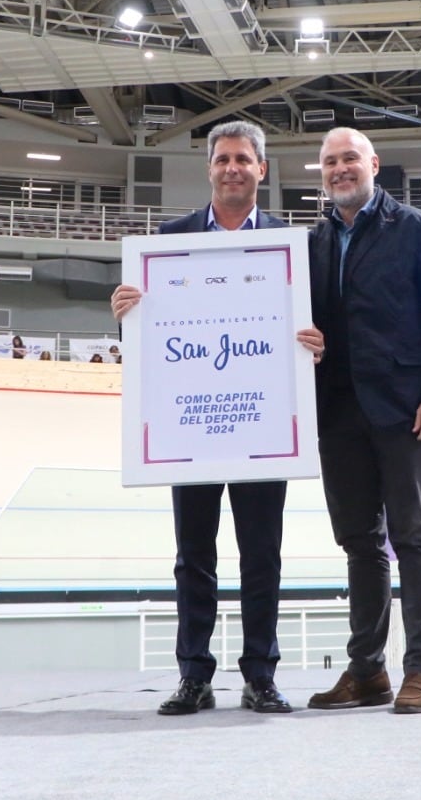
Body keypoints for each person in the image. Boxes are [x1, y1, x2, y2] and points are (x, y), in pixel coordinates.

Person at [109, 120, 298, 717]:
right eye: (223, 159)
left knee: (261, 556)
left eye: (244, 158)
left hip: (262, 426)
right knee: (194, 555)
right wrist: (124, 316)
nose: (233, 167)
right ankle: (195, 676)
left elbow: (310, 329)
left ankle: (260, 677)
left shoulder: (294, 247)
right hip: (190, 426)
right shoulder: (168, 241)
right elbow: (148, 338)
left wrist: (315, 340)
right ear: (210, 169)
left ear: (262, 170)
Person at [299, 126, 421, 716]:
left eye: (350, 159)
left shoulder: (419, 229)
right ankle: (367, 670)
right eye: (330, 162)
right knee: (359, 544)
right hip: (337, 411)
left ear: (374, 164)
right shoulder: (313, 242)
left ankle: (420, 670)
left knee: (413, 537)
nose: (340, 169)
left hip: (405, 410)